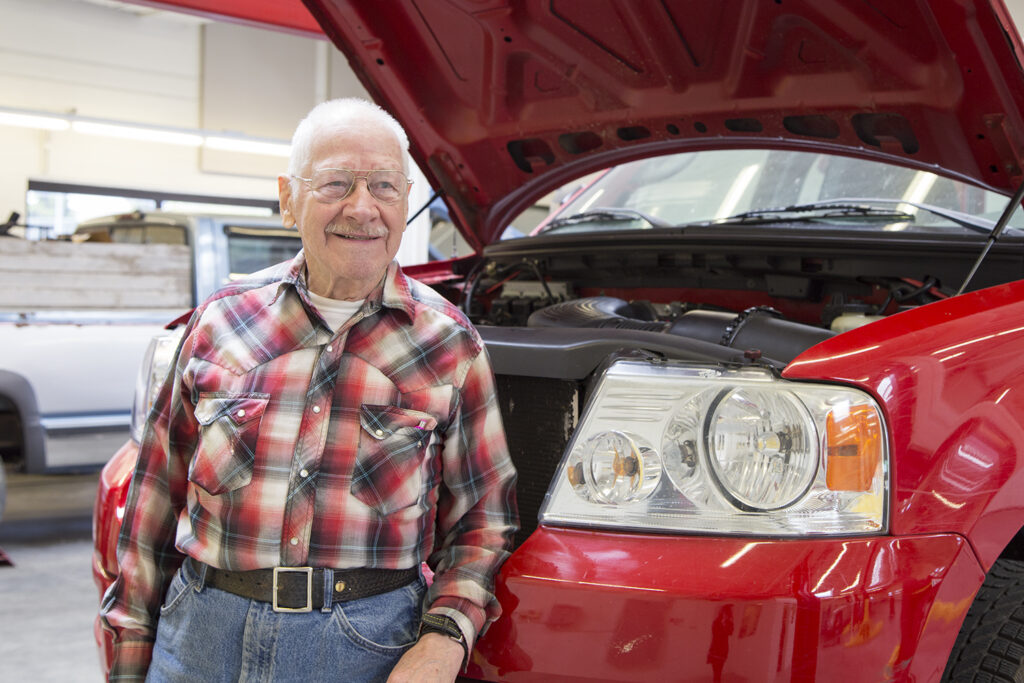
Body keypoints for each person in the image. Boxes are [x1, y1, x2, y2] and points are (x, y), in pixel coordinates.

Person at [100, 97, 519, 682]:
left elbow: (484, 517)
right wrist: (129, 663)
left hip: (366, 650)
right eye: (336, 183)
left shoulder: (451, 345)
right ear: (287, 197)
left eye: (384, 186)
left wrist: (445, 639)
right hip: (199, 639)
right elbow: (152, 504)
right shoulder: (220, 323)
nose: (363, 207)